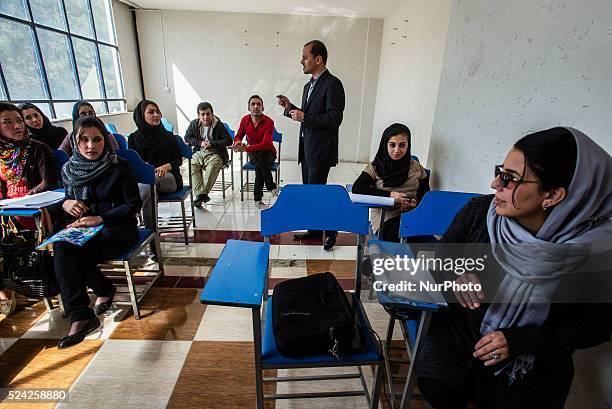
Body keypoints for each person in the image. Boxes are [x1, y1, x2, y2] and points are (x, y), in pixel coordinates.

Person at [414, 127, 612, 409]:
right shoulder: (480, 213)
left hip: (531, 370)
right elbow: (434, 262)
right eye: (500, 171)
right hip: (457, 348)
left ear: (552, 195)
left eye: (510, 179)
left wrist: (520, 340)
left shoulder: (593, 252)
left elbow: (596, 327)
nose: (495, 183)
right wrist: (456, 273)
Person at [54, 116, 142, 348]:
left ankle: (100, 293)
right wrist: (65, 204)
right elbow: (68, 200)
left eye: (97, 140)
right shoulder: (69, 170)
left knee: (72, 254)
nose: (91, 146)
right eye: (84, 140)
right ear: (74, 141)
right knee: (63, 247)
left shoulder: (119, 166)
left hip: (117, 229)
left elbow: (133, 205)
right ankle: (82, 313)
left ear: (106, 141)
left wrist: (101, 217)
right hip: (83, 228)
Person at [277, 39, 345, 250]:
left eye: (305, 57)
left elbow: (334, 118)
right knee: (311, 192)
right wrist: (290, 108)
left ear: (318, 59)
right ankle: (315, 230)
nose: (301, 61)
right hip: (306, 149)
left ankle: (332, 231)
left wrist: (304, 116)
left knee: (318, 193)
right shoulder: (308, 86)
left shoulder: (333, 84)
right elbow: (309, 115)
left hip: (321, 150)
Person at [0, 102, 59, 317]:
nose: (17, 126)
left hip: (38, 209)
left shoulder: (37, 148)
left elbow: (49, 182)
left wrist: (25, 197)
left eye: (18, 121)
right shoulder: (0, 155)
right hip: (8, 211)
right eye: (8, 122)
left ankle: (39, 283)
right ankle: (6, 292)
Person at [352, 123, 429, 242]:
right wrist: (390, 196)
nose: (397, 150)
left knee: (420, 232)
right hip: (386, 216)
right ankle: (386, 258)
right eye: (392, 145)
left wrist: (414, 205)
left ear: (408, 146)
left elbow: (426, 195)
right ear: (385, 144)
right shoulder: (376, 166)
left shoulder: (417, 168)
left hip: (412, 214)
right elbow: (358, 188)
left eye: (402, 145)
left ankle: (401, 259)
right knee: (398, 234)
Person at [128, 100, 182, 252]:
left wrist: (167, 166)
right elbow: (131, 164)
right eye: (151, 112)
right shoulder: (133, 138)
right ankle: (153, 240)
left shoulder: (168, 136)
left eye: (157, 112)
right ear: (141, 115)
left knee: (147, 185)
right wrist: (144, 168)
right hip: (146, 182)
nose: (156, 115)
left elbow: (177, 160)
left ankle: (142, 227)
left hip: (169, 179)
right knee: (148, 188)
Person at [234, 95, 279, 208]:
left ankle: (258, 199)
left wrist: (245, 149)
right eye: (253, 104)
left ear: (263, 108)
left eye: (259, 104)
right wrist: (238, 142)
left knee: (261, 161)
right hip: (254, 152)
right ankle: (271, 187)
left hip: (268, 152)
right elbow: (239, 135)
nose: (256, 106)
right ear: (248, 108)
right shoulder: (245, 120)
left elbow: (266, 144)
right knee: (260, 162)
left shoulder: (269, 122)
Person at [184, 102, 231, 207]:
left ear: (212, 114)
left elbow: (228, 141)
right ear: (198, 116)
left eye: (208, 114)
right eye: (202, 114)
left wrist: (212, 143)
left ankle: (200, 196)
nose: (205, 117)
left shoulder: (219, 125)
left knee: (213, 166)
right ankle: (201, 195)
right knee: (191, 165)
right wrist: (200, 142)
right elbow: (187, 137)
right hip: (199, 151)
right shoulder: (194, 124)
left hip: (216, 153)